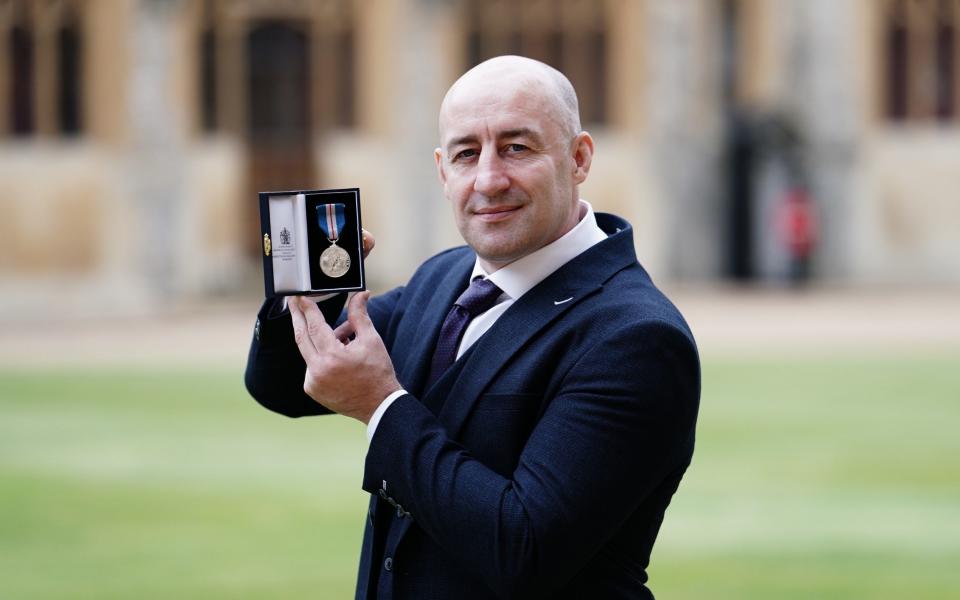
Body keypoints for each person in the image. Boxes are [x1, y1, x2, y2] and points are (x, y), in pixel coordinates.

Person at [245, 55, 700, 600]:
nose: (488, 178)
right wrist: (303, 299)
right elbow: (279, 385)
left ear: (579, 158)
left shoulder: (636, 337)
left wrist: (381, 408)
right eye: (466, 154)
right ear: (443, 171)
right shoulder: (444, 276)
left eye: (516, 147)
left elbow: (524, 549)